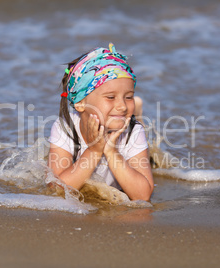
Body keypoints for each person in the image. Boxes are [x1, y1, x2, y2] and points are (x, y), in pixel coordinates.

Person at [47, 43, 153, 201]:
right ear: (80, 103)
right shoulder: (66, 128)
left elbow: (143, 195)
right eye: (111, 97)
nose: (122, 106)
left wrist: (111, 152)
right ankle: (136, 111)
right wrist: (94, 151)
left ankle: (137, 113)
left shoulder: (132, 132)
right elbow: (57, 189)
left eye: (128, 97)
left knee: (152, 157)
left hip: (128, 135)